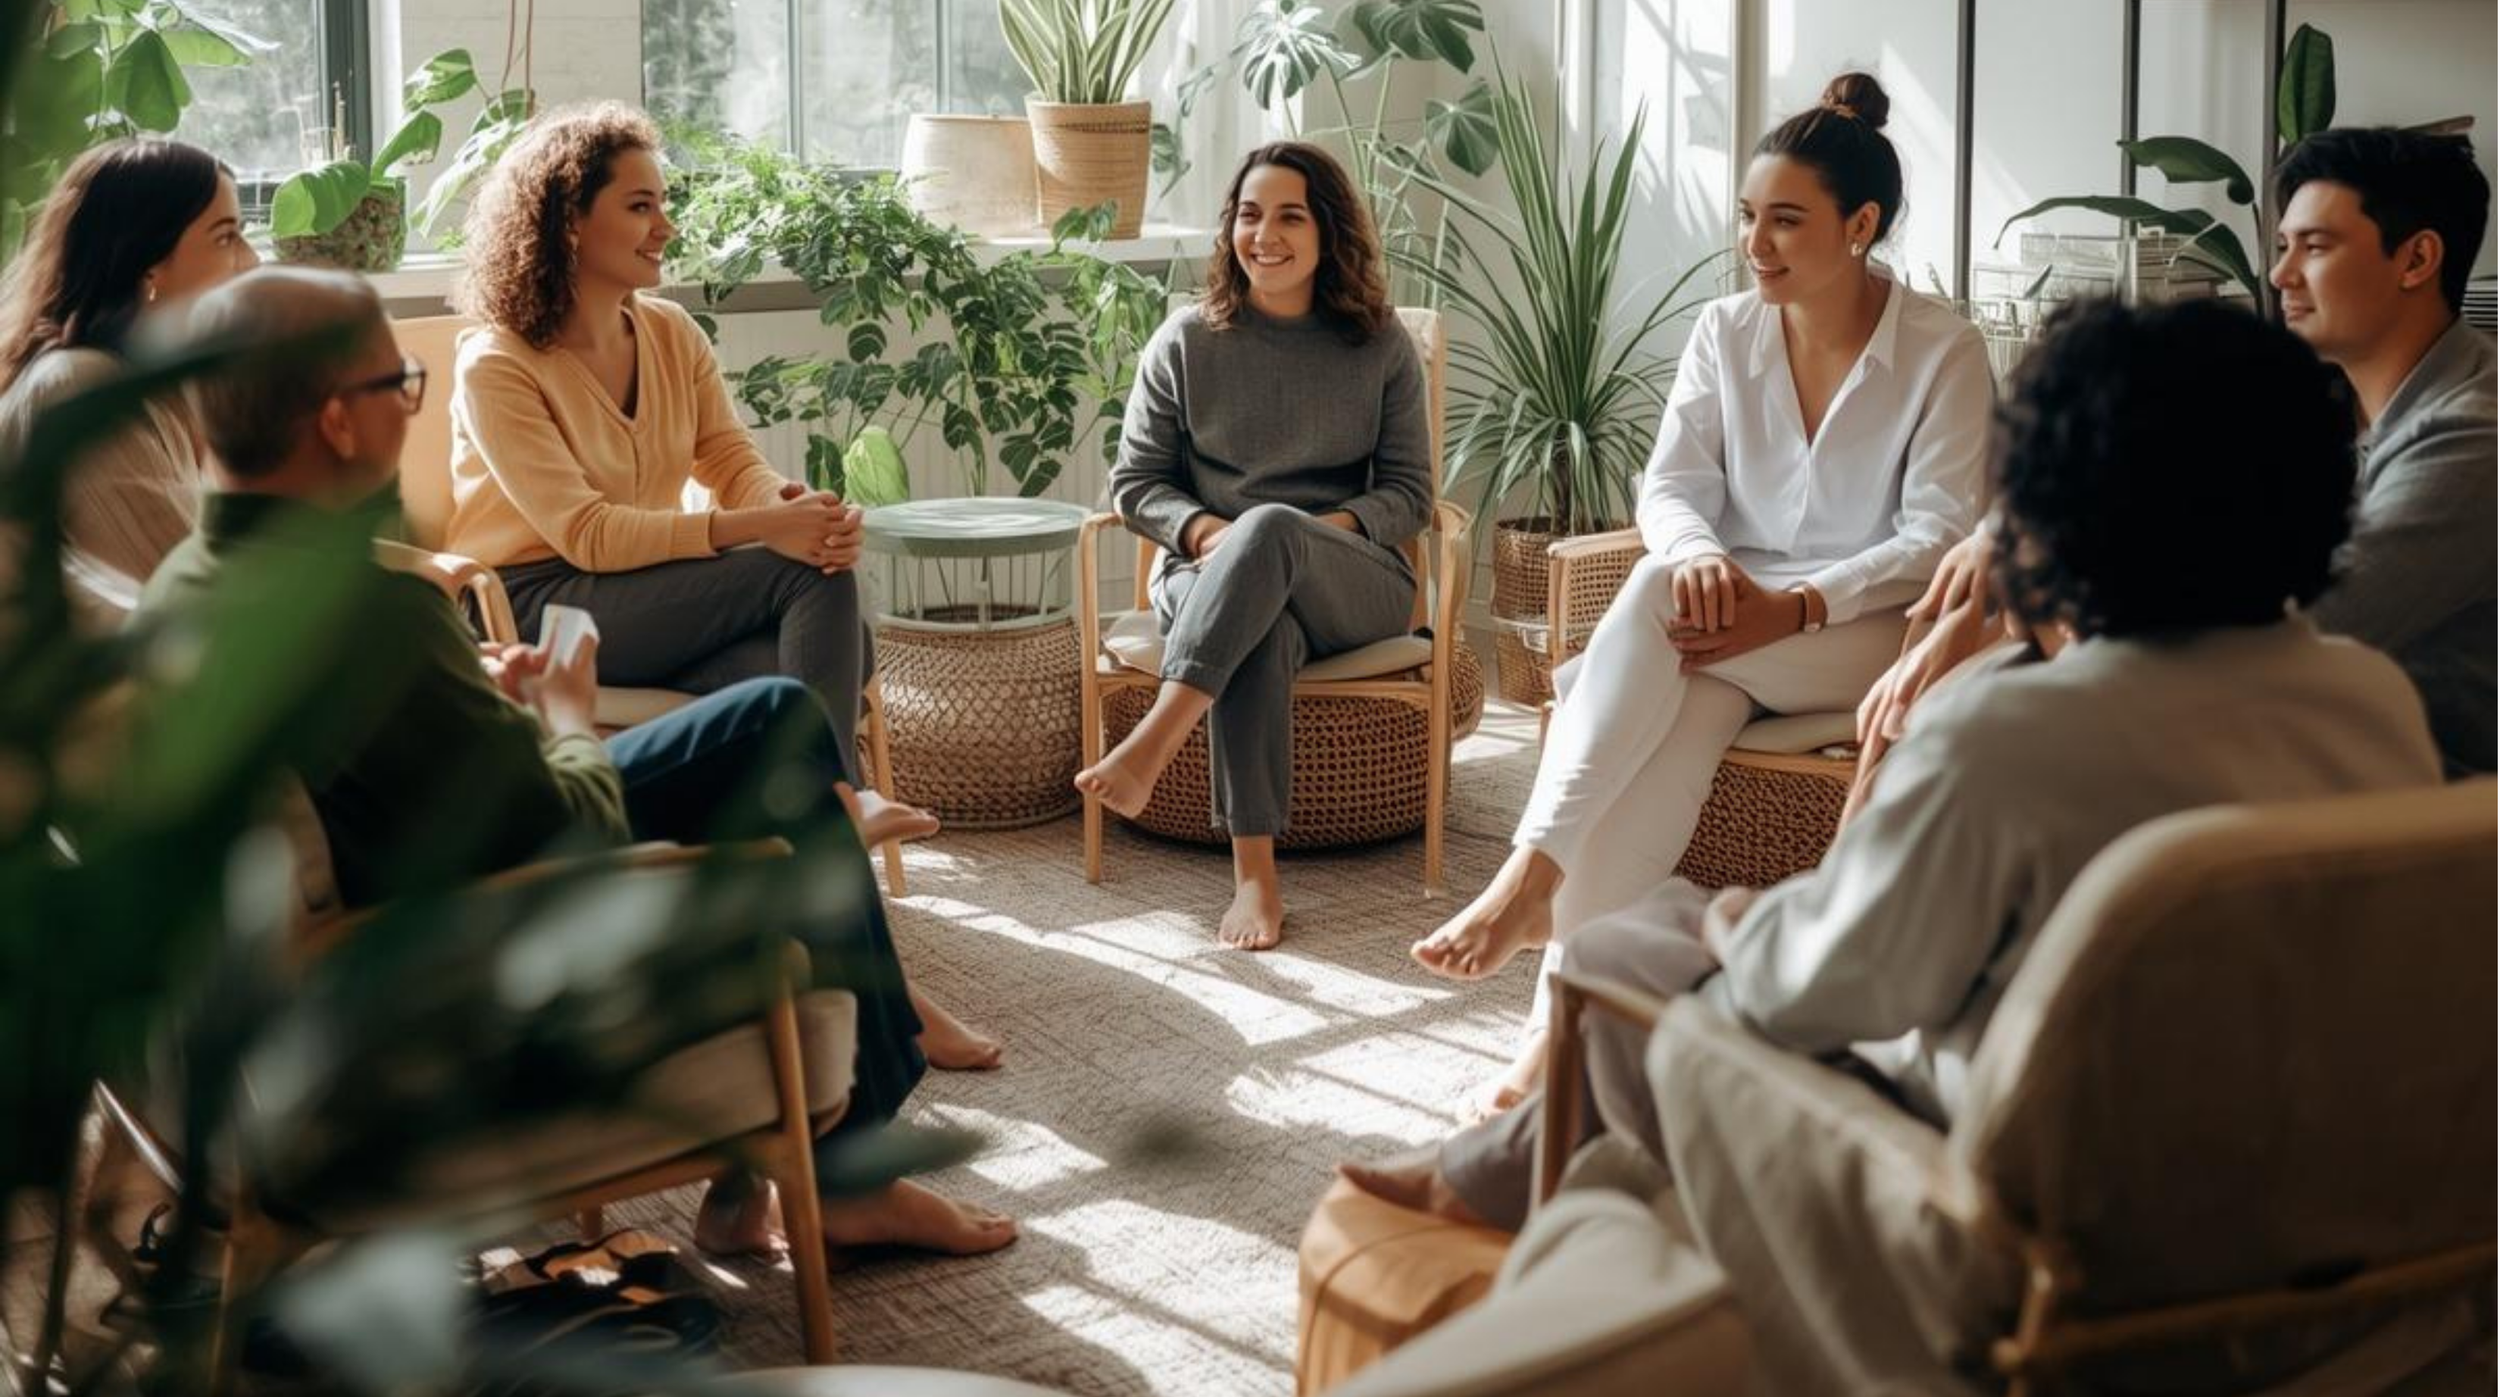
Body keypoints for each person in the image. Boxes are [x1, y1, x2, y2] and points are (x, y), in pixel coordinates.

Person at [1345, 297, 2443, 1233]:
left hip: (2024, 1236)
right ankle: (1509, 1136)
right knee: (1653, 737)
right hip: (2295, 1210)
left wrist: (1723, 920)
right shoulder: (2374, 702)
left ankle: (1488, 1184)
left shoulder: (2017, 740)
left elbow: (1818, 989)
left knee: (1641, 951)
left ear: (2057, 518)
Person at [139, 267, 1016, 1260]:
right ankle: (850, 1155)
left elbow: (390, 748)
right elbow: (571, 829)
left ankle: (799, 1150)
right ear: (337, 421)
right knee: (771, 725)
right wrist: (559, 716)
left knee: (759, 727)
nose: (408, 407)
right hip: (467, 935)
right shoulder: (366, 608)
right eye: (399, 387)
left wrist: (468, 693)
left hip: (394, 886)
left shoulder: (187, 579)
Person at [1412, 75, 1995, 1110]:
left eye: (1783, 220)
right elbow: (1670, 488)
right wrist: (1694, 557)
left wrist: (1802, 603)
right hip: (1725, 628)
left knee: (1639, 620)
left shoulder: (1941, 348)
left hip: (1862, 633)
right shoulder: (1725, 332)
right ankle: (1552, 1039)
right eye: (1746, 218)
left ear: (1859, 225)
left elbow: (1938, 533)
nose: (1752, 244)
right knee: (1670, 717)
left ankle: (1528, 878)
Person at [445, 104, 999, 1069]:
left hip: (651, 591)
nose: (668, 225)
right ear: (569, 220)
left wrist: (794, 504)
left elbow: (728, 460)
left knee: (799, 663)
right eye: (643, 205)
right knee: (805, 597)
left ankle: (861, 963)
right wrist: (763, 532)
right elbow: (583, 533)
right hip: (537, 610)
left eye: (666, 203)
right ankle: (841, 812)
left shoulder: (666, 332)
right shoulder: (497, 363)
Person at [1857, 125, 2493, 784]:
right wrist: (2007, 535)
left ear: (2417, 260)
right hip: (2269, 727)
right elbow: (2135, 477)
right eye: (2281, 247)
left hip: (2409, 792)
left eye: (2316, 246)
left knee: (1968, 719)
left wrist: (2030, 591)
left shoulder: (2474, 436)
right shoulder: (2311, 393)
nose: (2280, 274)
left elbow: (2294, 630)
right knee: (1936, 704)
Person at [1079, 142, 1433, 950]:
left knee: (1273, 528)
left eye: (1288, 216)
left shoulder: (1378, 344)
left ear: (1328, 232)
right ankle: (1256, 880)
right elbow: (1135, 484)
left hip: (1354, 581)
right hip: (1207, 573)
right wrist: (1210, 533)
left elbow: (1410, 495)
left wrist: (1302, 537)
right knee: (1260, 624)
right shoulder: (1185, 341)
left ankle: (1160, 736)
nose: (1262, 234)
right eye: (1247, 214)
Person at [0, 139, 258, 625]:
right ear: (149, 265)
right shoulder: (82, 388)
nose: (252, 261)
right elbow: (192, 599)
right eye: (226, 237)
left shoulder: (140, 381)